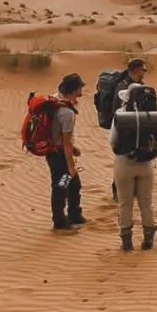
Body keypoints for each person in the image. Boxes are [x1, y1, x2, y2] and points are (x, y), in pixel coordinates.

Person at [109, 83, 157, 251]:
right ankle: (148, 240)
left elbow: (112, 141)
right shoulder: (154, 114)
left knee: (125, 202)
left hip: (124, 162)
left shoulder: (121, 114)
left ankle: (127, 242)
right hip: (146, 163)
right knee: (146, 202)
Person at [47, 73, 86, 233]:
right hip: (59, 154)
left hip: (56, 150)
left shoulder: (56, 99)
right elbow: (66, 140)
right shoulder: (67, 113)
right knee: (61, 186)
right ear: (75, 90)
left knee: (74, 184)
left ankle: (75, 214)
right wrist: (70, 166)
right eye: (80, 88)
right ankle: (59, 222)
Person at [109, 58, 148, 202]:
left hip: (137, 128)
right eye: (143, 70)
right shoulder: (123, 86)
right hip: (123, 129)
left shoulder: (138, 85)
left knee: (136, 159)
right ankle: (117, 191)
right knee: (122, 160)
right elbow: (120, 109)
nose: (144, 73)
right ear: (136, 70)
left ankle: (134, 190)